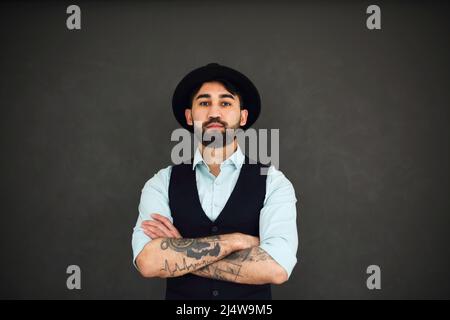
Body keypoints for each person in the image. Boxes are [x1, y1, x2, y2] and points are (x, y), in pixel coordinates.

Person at [131, 63, 299, 300]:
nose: (214, 113)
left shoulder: (273, 182)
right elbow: (148, 261)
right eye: (204, 102)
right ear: (190, 116)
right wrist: (238, 241)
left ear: (243, 116)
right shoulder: (161, 182)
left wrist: (180, 249)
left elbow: (276, 268)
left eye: (226, 102)